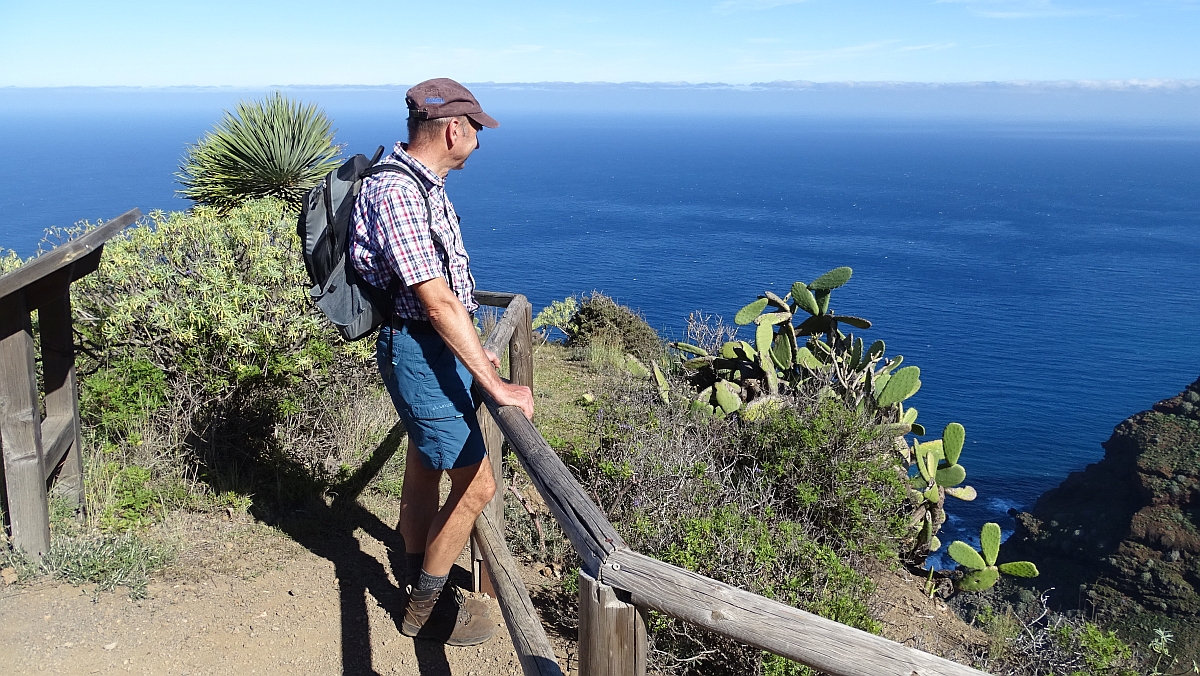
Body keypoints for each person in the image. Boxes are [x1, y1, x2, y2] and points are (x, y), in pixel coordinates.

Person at [349, 78, 534, 646]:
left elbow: (449, 293)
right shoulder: (397, 193)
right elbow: (434, 299)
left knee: (425, 464)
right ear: (454, 128)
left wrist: (476, 349)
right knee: (478, 485)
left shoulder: (423, 184)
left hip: (433, 348)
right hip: (420, 351)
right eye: (477, 129)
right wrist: (495, 382)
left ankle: (412, 575)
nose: (480, 139)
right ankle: (424, 613)